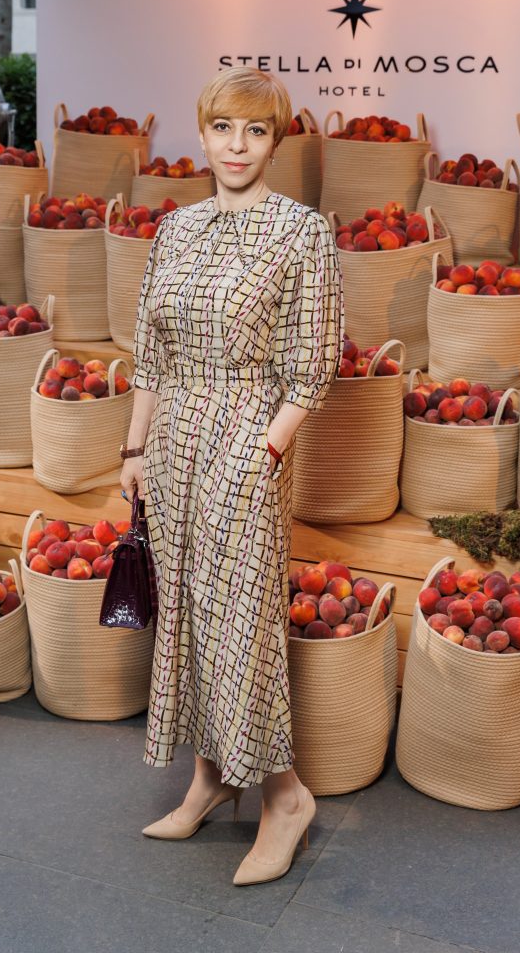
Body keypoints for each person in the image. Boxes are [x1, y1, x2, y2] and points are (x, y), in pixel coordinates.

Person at [120, 66, 343, 886]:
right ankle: (210, 779)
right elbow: (151, 353)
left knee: (239, 623)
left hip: (248, 438)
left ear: (275, 142)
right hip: (171, 441)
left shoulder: (300, 232)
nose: (237, 146)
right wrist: (133, 452)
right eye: (223, 128)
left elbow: (312, 364)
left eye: (255, 131)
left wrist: (264, 454)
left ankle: (284, 797)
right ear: (203, 134)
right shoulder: (175, 230)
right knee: (186, 614)